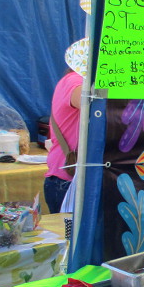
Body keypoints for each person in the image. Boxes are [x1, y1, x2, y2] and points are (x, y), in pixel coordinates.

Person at [44, 69, 83, 213]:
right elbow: (89, 100)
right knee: (67, 228)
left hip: (83, 180)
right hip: (66, 182)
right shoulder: (74, 80)